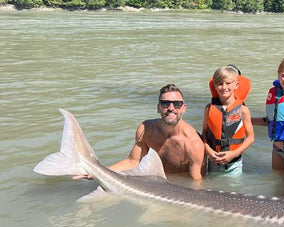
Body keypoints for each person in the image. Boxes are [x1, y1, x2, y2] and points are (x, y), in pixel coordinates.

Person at [76, 84, 206, 181]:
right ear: (158, 107)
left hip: (178, 186)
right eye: (165, 103)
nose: (171, 108)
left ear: (183, 109)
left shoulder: (193, 144)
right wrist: (98, 172)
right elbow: (133, 161)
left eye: (177, 104)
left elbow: (195, 183)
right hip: (153, 182)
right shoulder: (146, 129)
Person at [202, 65, 254, 175]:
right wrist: (208, 151)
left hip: (234, 164)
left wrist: (234, 154)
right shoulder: (208, 108)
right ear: (215, 86)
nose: (224, 87)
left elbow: (250, 138)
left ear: (236, 85)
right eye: (220, 84)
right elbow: (204, 134)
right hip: (213, 162)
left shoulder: (243, 110)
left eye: (228, 83)